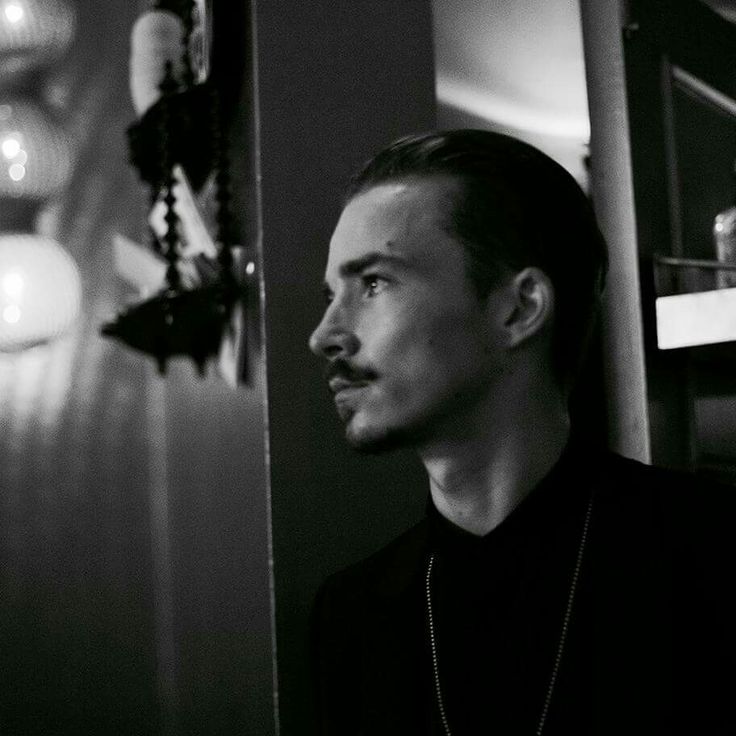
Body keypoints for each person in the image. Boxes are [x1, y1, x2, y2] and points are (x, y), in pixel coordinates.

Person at [307, 130, 736, 735]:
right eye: (332, 294)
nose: (323, 335)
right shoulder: (351, 618)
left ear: (519, 308)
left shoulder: (713, 556)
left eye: (373, 283)